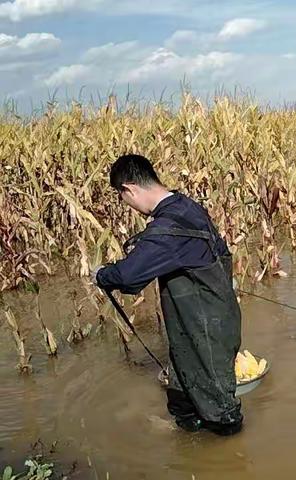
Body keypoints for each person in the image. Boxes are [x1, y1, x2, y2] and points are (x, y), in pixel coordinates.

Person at [92, 154, 243, 435]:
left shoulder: (166, 230)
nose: (127, 205)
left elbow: (129, 277)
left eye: (122, 197)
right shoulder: (186, 206)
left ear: (129, 189)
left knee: (222, 414)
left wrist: (101, 275)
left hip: (206, 330)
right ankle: (189, 448)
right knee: (183, 398)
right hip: (204, 322)